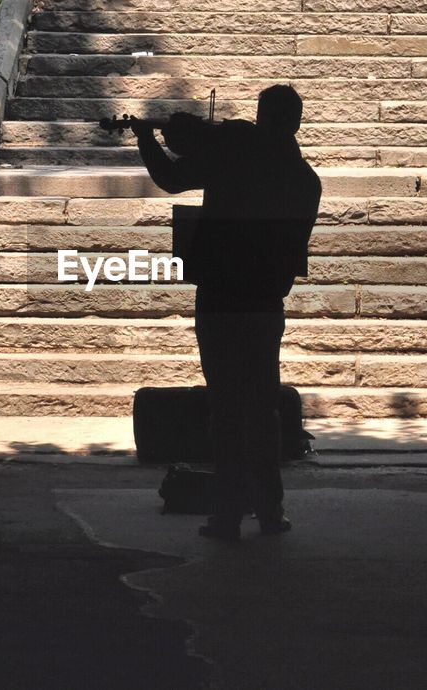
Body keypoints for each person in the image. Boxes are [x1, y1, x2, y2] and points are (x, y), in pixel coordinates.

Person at [132, 86, 322, 541]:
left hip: (220, 295)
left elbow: (173, 178)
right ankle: (270, 511)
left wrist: (146, 138)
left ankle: (228, 514)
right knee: (262, 410)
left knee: (226, 408)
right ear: (295, 123)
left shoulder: (234, 153)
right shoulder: (305, 180)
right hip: (262, 301)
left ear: (259, 117)